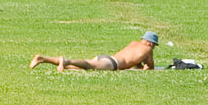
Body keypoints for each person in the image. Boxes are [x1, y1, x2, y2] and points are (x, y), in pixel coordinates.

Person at [30, 31, 158, 72]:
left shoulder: (134, 43)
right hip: (112, 64)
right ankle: (65, 60)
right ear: (150, 43)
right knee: (87, 64)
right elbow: (150, 67)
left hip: (107, 58)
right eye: (154, 45)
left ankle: (43, 59)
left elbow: (134, 61)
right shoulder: (147, 49)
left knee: (79, 68)